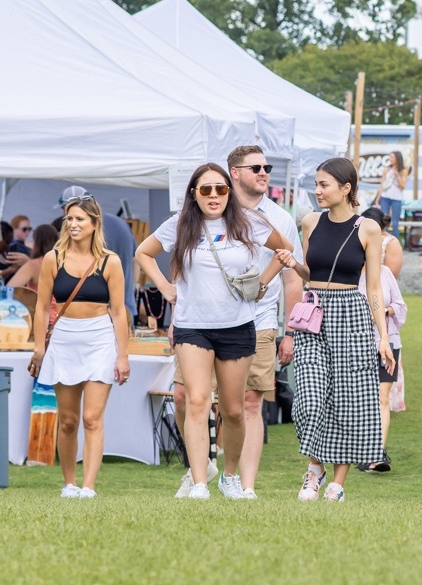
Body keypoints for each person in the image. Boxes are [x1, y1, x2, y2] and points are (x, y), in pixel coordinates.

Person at [135, 164, 288, 499]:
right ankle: (200, 480)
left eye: (220, 189)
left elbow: (284, 251)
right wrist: (164, 286)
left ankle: (229, 476)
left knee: (233, 410)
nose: (214, 196)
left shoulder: (248, 221)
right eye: (206, 190)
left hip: (237, 325)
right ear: (194, 194)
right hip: (193, 327)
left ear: (229, 191)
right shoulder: (179, 224)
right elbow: (143, 252)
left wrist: (262, 283)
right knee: (198, 400)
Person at [274, 157, 394, 502]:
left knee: (348, 401)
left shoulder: (368, 229)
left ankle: (337, 484)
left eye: (324, 184)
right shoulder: (310, 222)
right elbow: (310, 273)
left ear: (346, 188)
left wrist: (383, 338)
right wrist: (293, 263)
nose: (318, 191)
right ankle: (315, 470)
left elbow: (373, 288)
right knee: (309, 400)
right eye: (316, 183)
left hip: (352, 315)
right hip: (315, 314)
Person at [28, 193, 133, 498]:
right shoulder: (54, 258)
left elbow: (118, 311)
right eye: (69, 219)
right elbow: (41, 306)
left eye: (79, 219)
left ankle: (89, 485)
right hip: (64, 338)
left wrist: (123, 355)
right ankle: (69, 483)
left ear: (94, 223)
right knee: (69, 419)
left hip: (100, 338)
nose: (73, 224)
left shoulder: (110, 261)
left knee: (92, 417)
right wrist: (38, 347)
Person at [225, 144, 303, 500]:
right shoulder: (216, 212)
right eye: (254, 167)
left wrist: (290, 332)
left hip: (261, 321)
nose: (263, 172)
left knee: (253, 402)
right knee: (216, 403)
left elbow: (293, 278)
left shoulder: (281, 219)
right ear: (235, 172)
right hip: (215, 319)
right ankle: (218, 475)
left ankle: (248, 485)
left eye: (266, 167)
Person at [360, 206, 406, 469]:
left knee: (382, 396)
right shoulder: (351, 274)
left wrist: (385, 310)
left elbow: (401, 307)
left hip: (388, 342)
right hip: (355, 342)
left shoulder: (386, 274)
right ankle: (360, 448)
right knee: (358, 396)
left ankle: (377, 453)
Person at [62, 185, 138, 303]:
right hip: (126, 305)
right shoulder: (121, 224)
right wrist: (130, 292)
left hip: (100, 310)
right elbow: (135, 260)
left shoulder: (86, 229)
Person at [377, 150, 409, 234]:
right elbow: (382, 184)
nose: (390, 159)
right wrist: (378, 199)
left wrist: (397, 175)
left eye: (392, 157)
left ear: (397, 158)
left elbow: (403, 186)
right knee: (384, 219)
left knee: (395, 222)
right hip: (385, 196)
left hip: (397, 197)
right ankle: (383, 241)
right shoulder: (387, 169)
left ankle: (395, 242)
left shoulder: (403, 171)